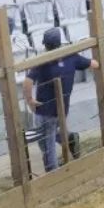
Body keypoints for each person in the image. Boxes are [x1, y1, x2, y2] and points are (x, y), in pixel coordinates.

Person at [22, 26, 91, 173]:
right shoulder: (71, 56)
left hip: (44, 110)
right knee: (52, 131)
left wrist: (29, 100)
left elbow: (27, 81)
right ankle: (69, 138)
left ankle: (53, 172)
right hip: (62, 109)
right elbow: (94, 64)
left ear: (45, 45)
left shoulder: (43, 60)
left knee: (46, 145)